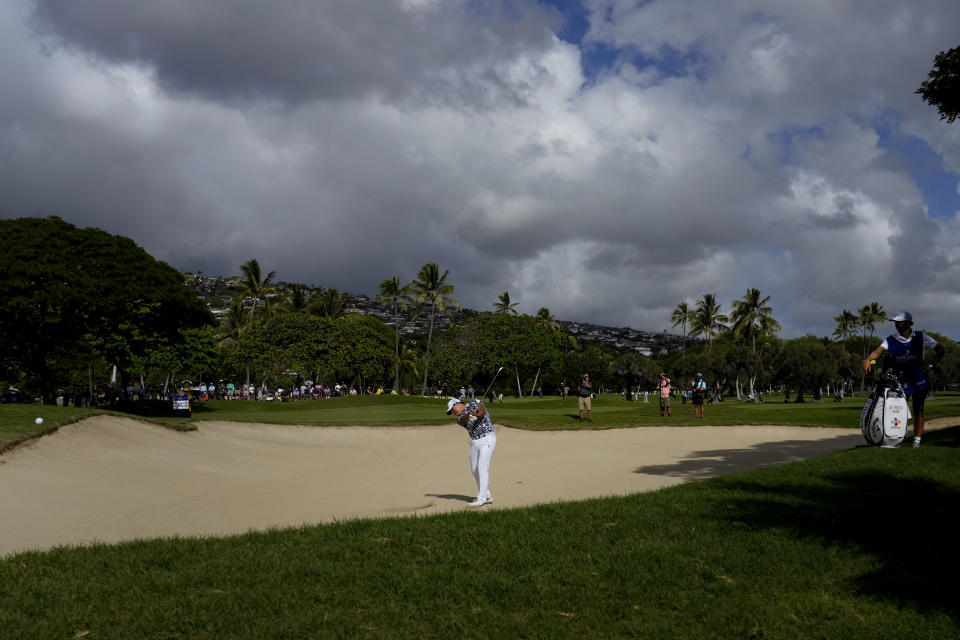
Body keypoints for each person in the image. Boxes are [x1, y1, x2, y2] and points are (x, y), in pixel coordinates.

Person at [864, 311, 944, 448]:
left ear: (908, 323)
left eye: (899, 322)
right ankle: (897, 438)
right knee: (898, 410)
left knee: (919, 409)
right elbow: (878, 351)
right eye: (895, 322)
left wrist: (931, 365)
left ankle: (916, 442)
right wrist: (868, 358)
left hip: (920, 379)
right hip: (901, 381)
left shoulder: (921, 337)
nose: (896, 324)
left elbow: (940, 349)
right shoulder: (891, 339)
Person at [446, 397, 497, 507]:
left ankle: (482, 498)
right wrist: (469, 415)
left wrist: (476, 413)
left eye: (452, 409)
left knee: (482, 468)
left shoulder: (475, 401)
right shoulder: (459, 419)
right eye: (451, 412)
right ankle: (487, 494)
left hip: (487, 438)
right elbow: (463, 420)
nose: (453, 412)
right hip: (474, 442)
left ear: (457, 403)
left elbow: (482, 410)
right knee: (474, 470)